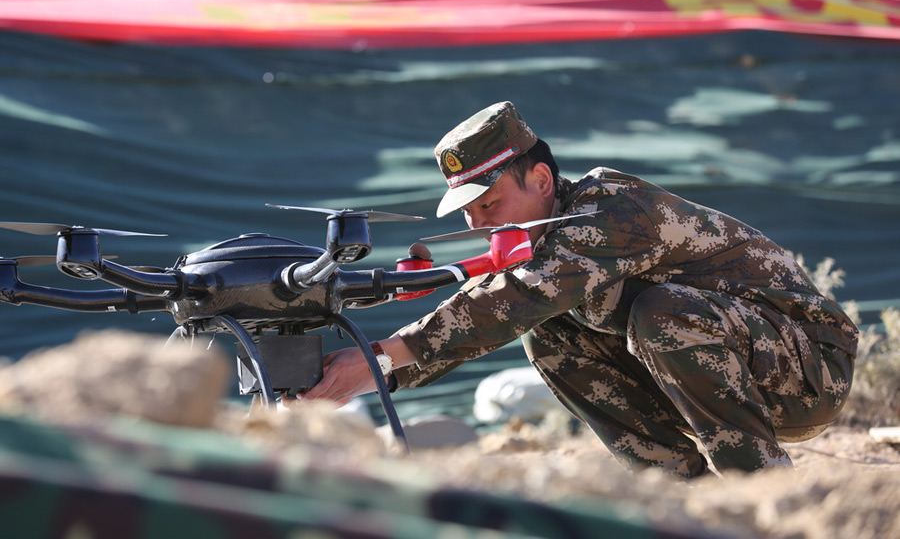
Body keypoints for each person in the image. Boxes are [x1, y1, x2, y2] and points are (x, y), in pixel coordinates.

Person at [302, 101, 859, 477]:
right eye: (468, 212)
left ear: (541, 181)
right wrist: (381, 367)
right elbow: (509, 303)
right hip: (740, 366)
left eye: (488, 204)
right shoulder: (545, 241)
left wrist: (379, 359)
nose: (477, 225)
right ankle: (686, 502)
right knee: (549, 334)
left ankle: (762, 494)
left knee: (662, 313)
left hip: (807, 368)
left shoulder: (610, 211)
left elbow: (516, 296)